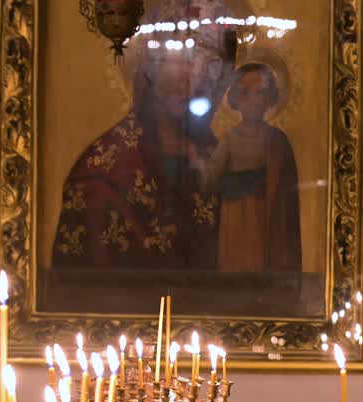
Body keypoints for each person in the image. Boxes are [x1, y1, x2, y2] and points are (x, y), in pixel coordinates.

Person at [51, 1, 235, 270]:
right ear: (149, 67)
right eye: (181, 57)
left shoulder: (223, 163)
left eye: (212, 63)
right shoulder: (102, 176)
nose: (194, 78)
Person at [202, 62, 301, 272]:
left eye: (260, 93)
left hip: (267, 221)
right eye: (245, 93)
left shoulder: (277, 140)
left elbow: (287, 195)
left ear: (270, 97)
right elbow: (209, 180)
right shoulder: (230, 139)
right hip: (235, 219)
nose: (253, 100)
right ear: (235, 99)